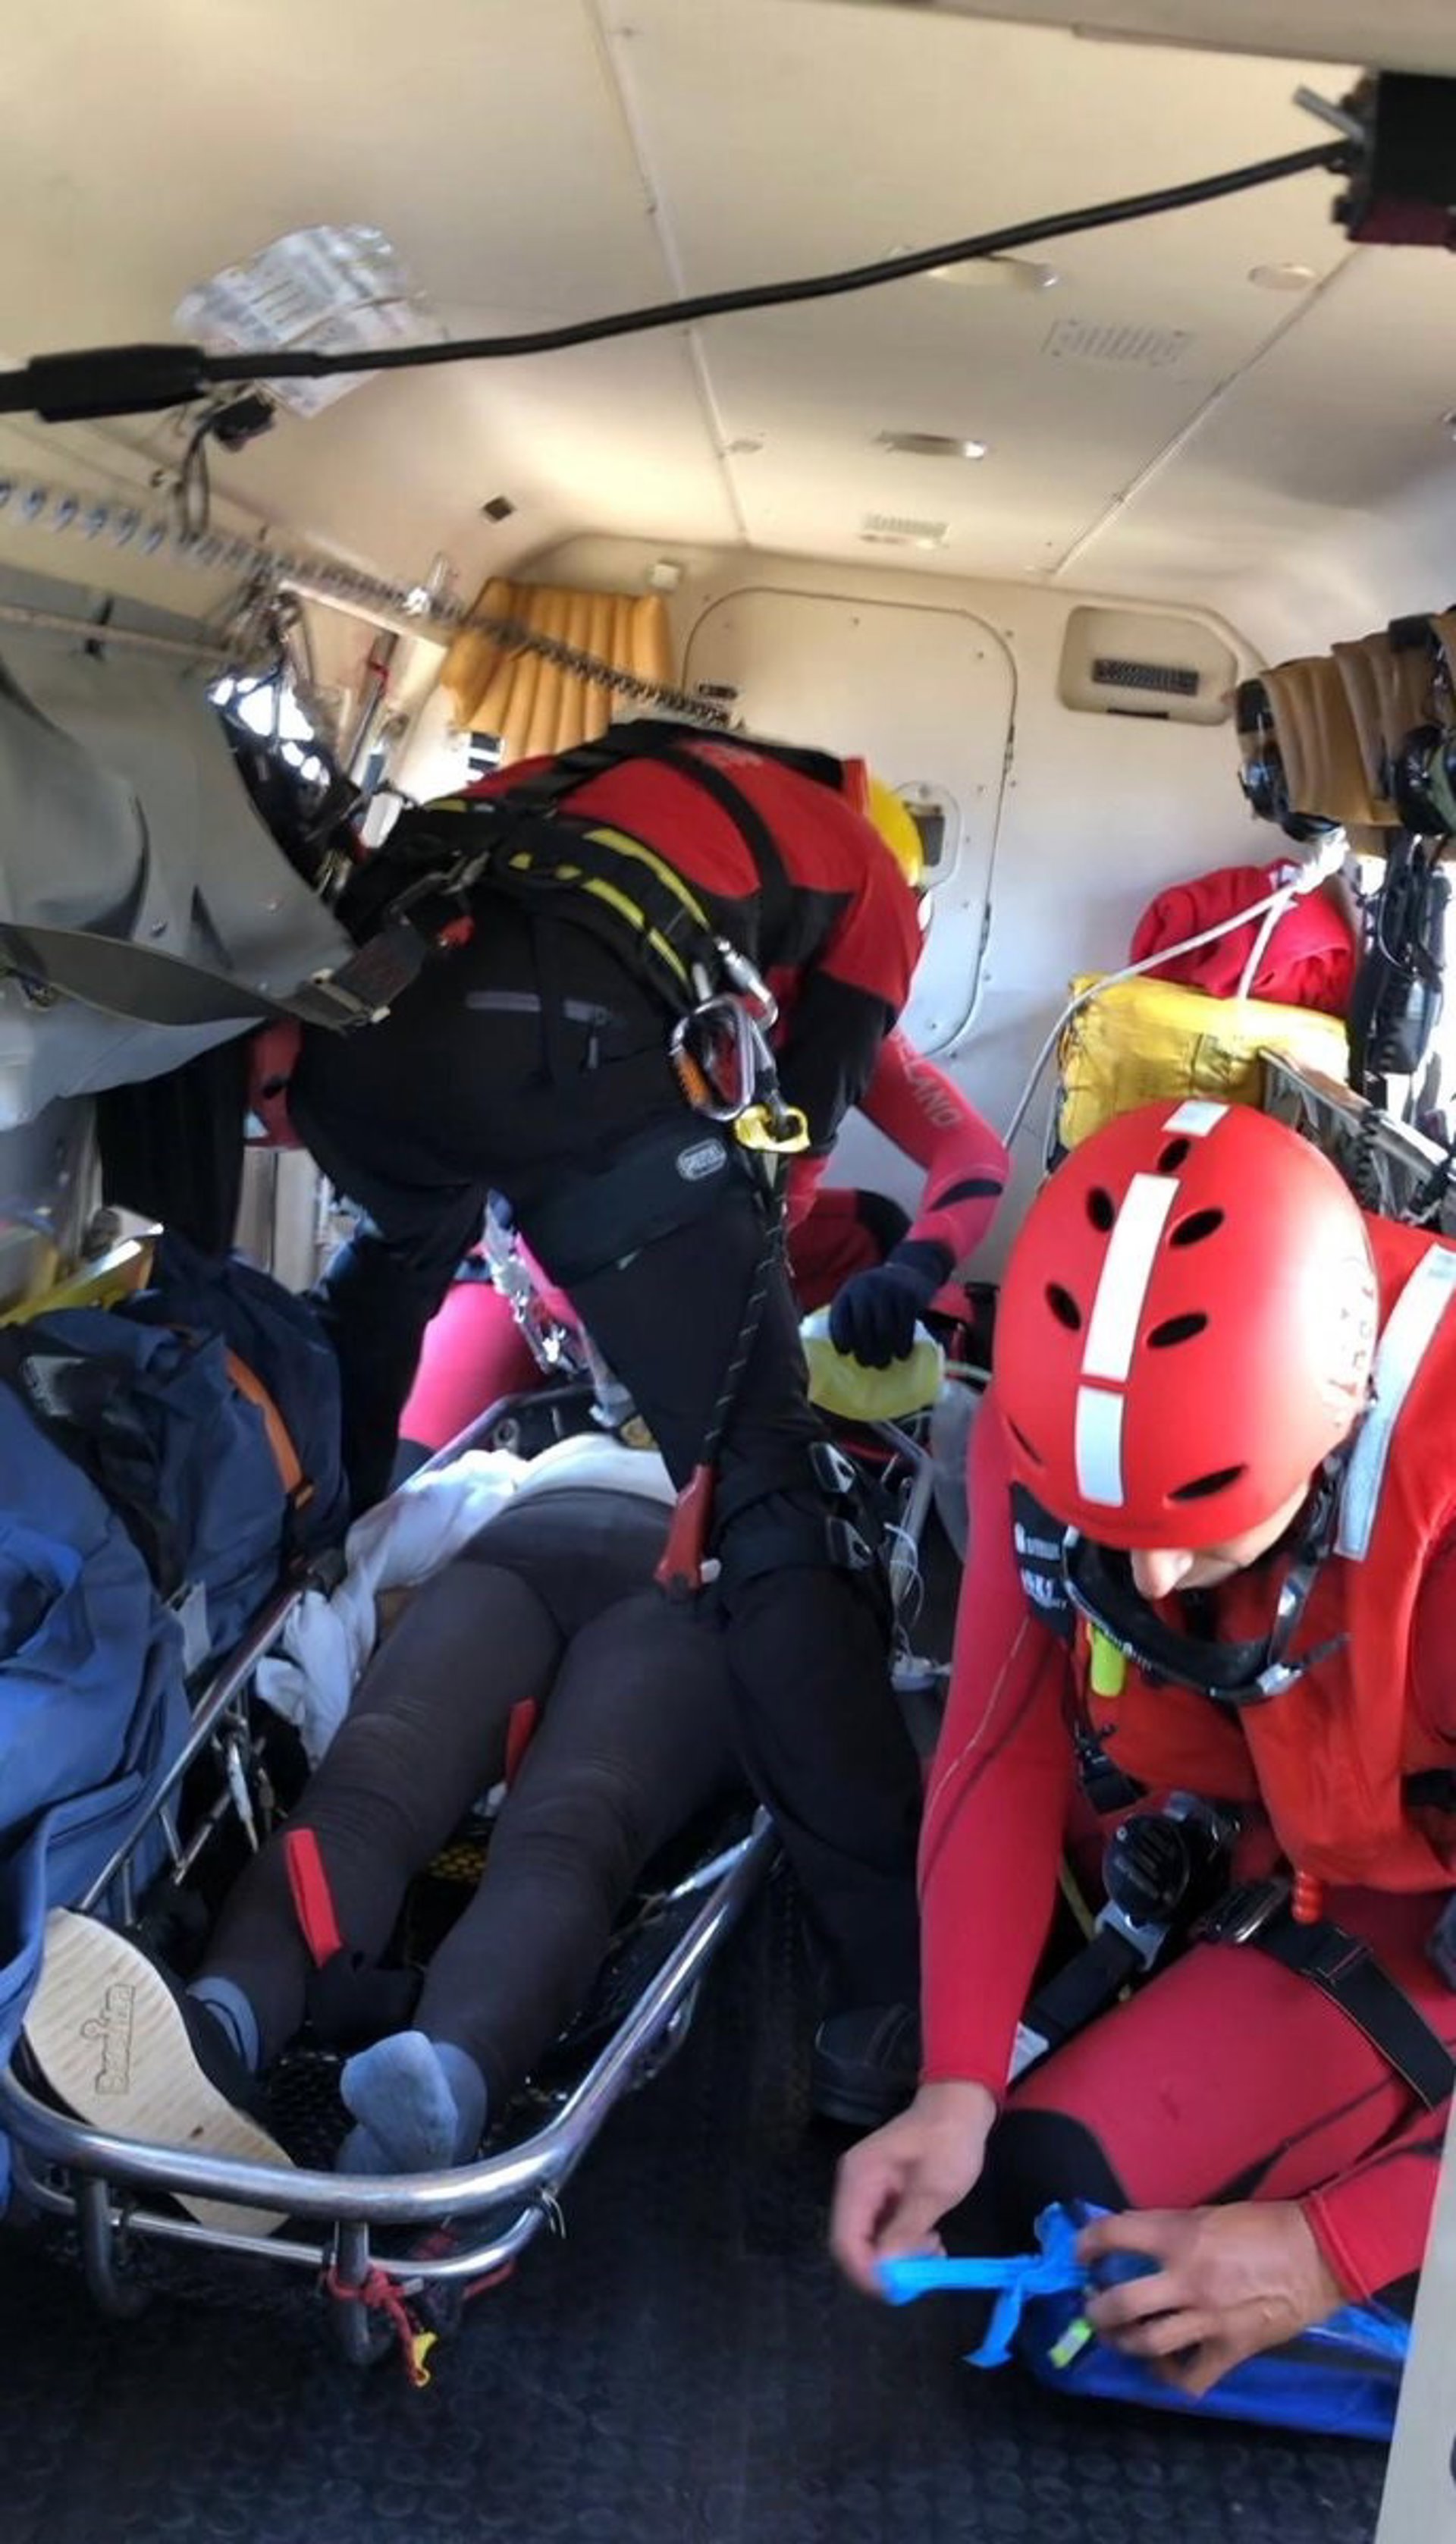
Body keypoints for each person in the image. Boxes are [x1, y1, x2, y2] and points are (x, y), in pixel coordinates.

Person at [283, 721, 935, 2121]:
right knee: (769, 1484)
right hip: (564, 1051)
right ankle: (890, 1993)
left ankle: (311, 1560)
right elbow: (794, 1146)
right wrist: (701, 1305)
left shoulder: (578, 769)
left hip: (367, 1049)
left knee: (384, 1281)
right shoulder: (867, 875)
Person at [832, 1098, 1456, 2395]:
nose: (1151, 1580)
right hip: (1283, 1819)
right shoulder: (1059, 1417)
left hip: (1424, 1893)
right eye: (1110, 1531)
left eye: (1201, 1529)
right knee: (1051, 2202)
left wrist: (1328, 2249)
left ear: (1337, 1425)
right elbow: (1002, 1744)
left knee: (1121, 2250)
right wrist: (958, 2082)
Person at [24, 1481, 739, 2191]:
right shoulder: (761, 1462)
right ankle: (438, 2094)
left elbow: (407, 1527)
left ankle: (223, 2022)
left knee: (370, 1793)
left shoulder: (525, 1453)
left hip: (527, 1542)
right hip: (687, 1580)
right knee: (571, 1837)